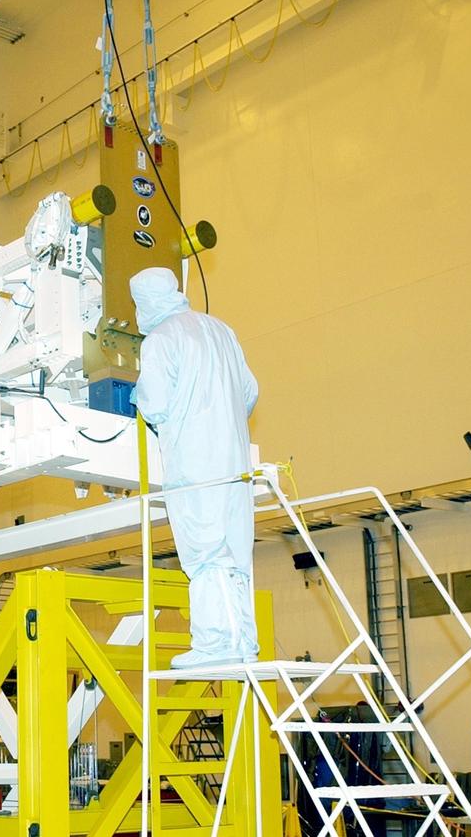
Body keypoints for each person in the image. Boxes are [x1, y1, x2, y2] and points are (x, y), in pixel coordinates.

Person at [129, 266, 259, 668]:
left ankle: (216, 645)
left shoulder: (161, 339)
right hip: (234, 462)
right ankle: (241, 641)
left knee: (206, 551)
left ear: (144, 303)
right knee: (234, 551)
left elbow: (154, 404)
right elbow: (250, 391)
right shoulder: (221, 330)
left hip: (194, 462)